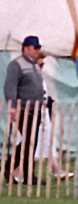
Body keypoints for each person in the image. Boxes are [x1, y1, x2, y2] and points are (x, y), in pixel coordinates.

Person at [5, 35, 45, 183]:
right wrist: (13, 106)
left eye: (38, 48)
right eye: (35, 48)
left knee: (31, 141)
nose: (37, 51)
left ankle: (22, 171)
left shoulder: (34, 65)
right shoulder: (16, 64)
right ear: (26, 48)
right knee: (28, 140)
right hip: (24, 109)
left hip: (36, 108)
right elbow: (11, 87)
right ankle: (13, 167)